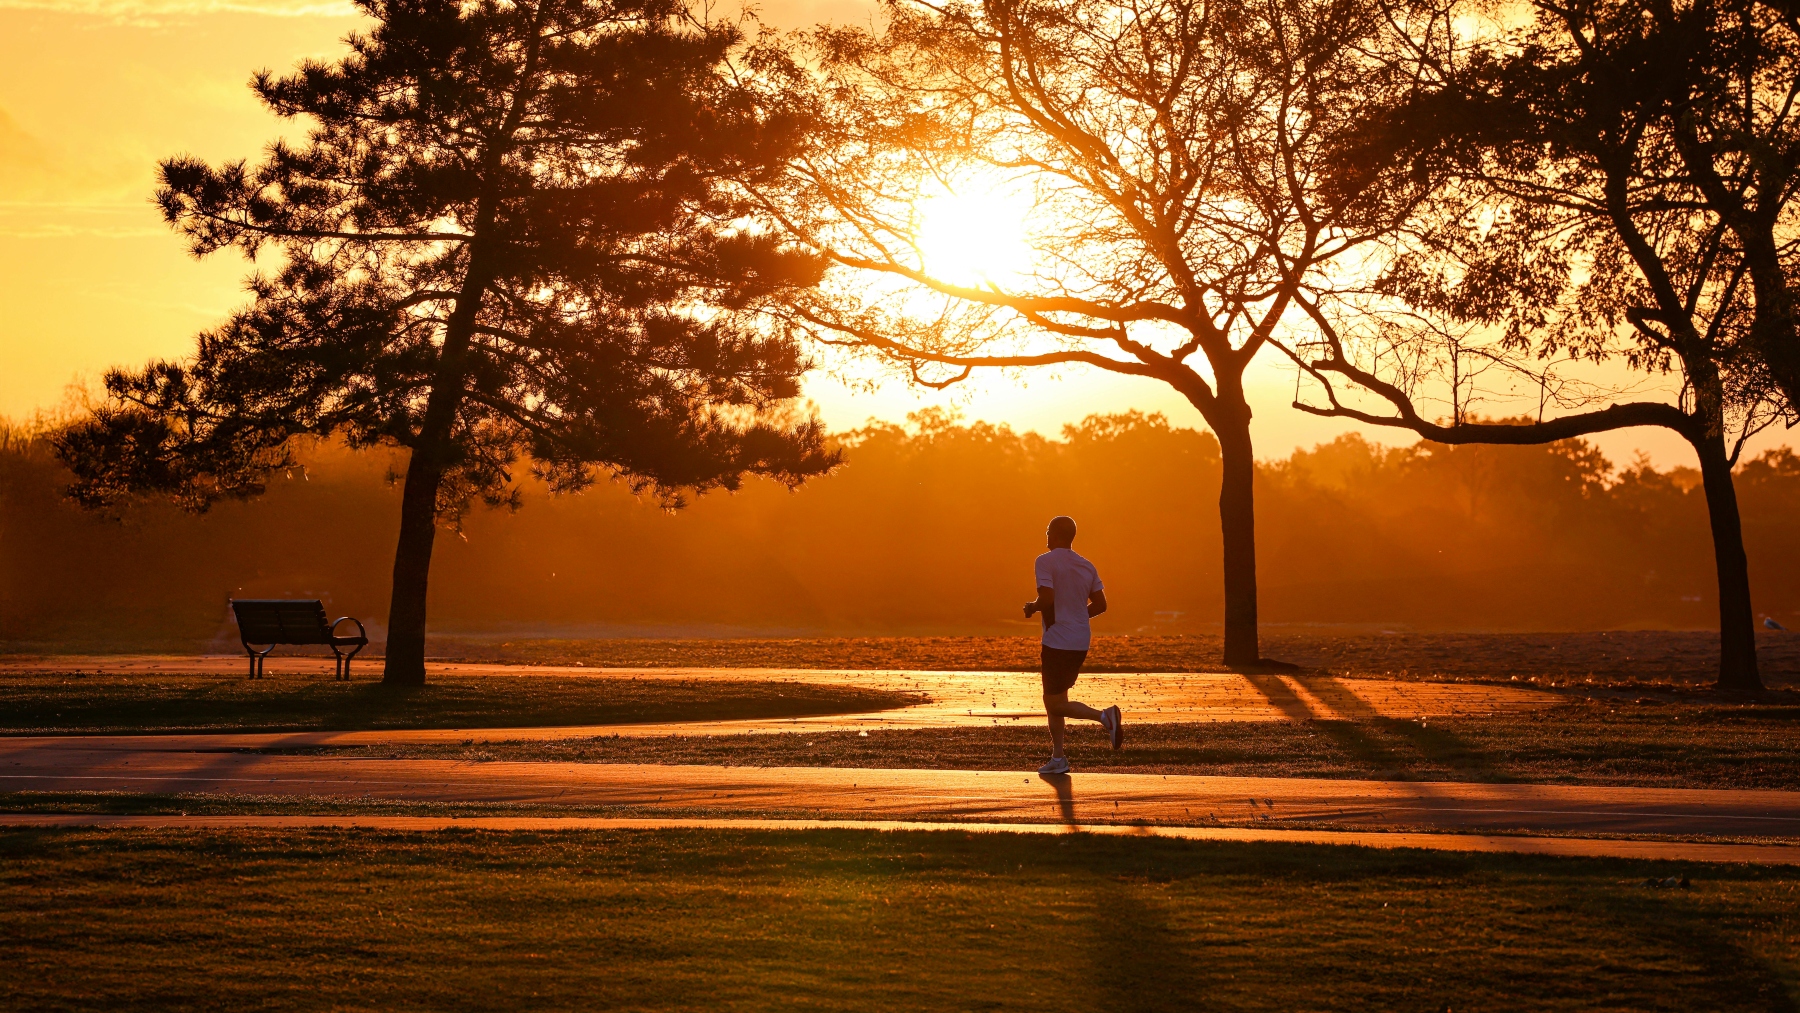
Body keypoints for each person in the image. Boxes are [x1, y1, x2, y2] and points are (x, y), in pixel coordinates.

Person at [1023, 515, 1120, 775]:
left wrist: (1032, 608)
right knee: (1055, 698)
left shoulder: (1044, 561)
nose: (1045, 537)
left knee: (1054, 704)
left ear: (1054, 535)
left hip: (1058, 642)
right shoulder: (1086, 565)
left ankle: (1104, 717)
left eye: (1047, 532)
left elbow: (1047, 596)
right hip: (1080, 640)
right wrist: (1077, 617)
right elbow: (1101, 605)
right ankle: (1058, 758)